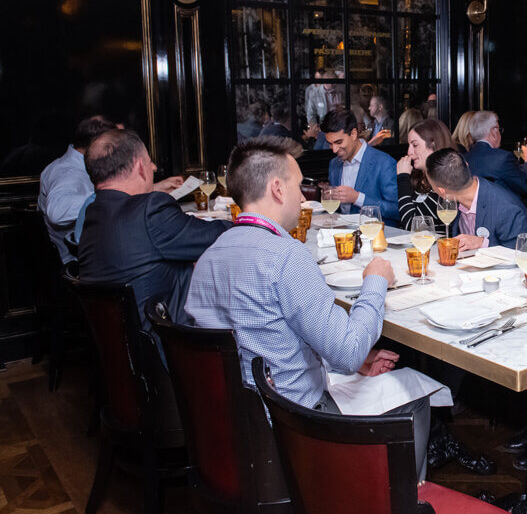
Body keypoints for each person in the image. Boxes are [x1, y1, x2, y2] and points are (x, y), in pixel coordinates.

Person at [184, 136, 433, 481]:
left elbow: (263, 334)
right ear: (277, 189)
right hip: (295, 423)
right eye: (298, 186)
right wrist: (374, 282)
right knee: (416, 392)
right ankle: (386, 501)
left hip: (225, 422)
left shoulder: (211, 254)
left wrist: (351, 359)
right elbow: (346, 351)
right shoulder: (286, 256)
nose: (303, 198)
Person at [78, 130, 228, 326]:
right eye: (150, 162)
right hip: (169, 344)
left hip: (118, 344)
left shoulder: (94, 213)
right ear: (140, 166)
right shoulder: (149, 210)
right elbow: (216, 236)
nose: (154, 167)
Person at [38, 116, 117, 264]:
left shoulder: (60, 165)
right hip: (78, 262)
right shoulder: (68, 174)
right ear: (97, 144)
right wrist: (111, 195)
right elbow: (57, 212)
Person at [424, 148, 527, 250]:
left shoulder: (507, 209)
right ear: (466, 166)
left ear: (442, 191)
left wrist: (482, 243)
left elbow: (520, 254)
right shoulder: (455, 204)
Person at [323, 109, 399, 223]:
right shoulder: (334, 164)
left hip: (376, 236)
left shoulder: (384, 163)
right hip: (342, 234)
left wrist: (358, 198)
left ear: (353, 134)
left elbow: (396, 210)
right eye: (330, 144)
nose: (334, 149)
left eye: (339, 142)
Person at [396, 119, 454, 236]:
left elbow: (412, 226)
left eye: (415, 145)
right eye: (409, 145)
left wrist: (403, 178)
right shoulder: (417, 177)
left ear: (433, 144)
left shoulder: (446, 182)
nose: (409, 152)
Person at [463, 111, 527, 197]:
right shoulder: (503, 158)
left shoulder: (463, 158)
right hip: (503, 209)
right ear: (493, 131)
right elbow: (526, 187)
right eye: (499, 130)